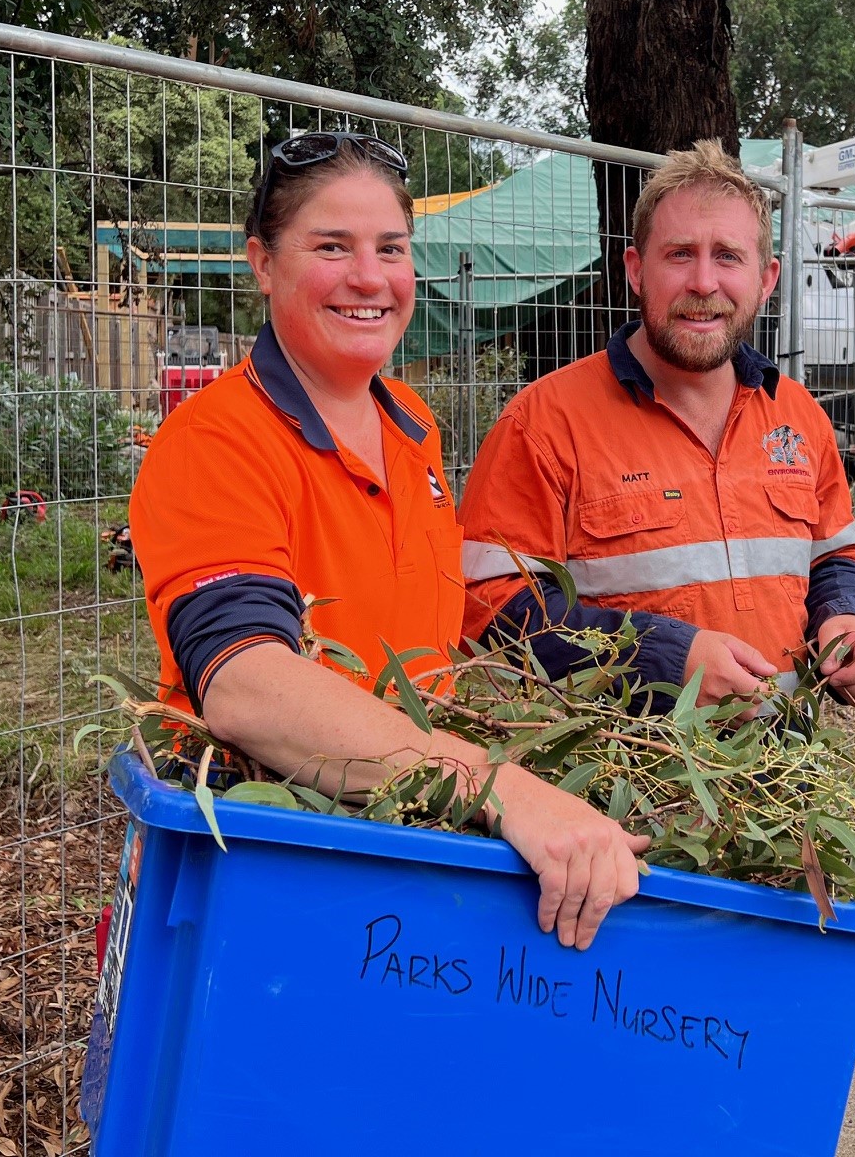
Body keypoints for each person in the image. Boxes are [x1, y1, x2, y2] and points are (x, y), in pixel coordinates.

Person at [128, 130, 644, 950]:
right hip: (259, 870)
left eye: (391, 248)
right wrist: (494, 787)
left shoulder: (413, 429)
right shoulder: (217, 440)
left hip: (402, 856)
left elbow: (428, 655)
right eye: (332, 246)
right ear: (262, 264)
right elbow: (245, 683)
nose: (370, 278)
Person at [458, 139, 855, 710]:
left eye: (729, 257)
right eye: (680, 254)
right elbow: (486, 605)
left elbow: (834, 556)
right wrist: (656, 658)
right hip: (620, 784)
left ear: (766, 279)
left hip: (790, 778)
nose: (705, 283)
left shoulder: (798, 417)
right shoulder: (542, 425)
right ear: (636, 271)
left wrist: (846, 617)